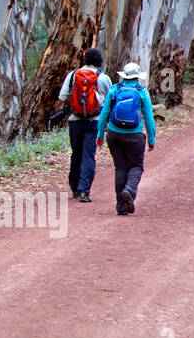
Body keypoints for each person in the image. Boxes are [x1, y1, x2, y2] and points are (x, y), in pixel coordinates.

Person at [95, 62, 156, 216]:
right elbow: (148, 117)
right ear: (137, 77)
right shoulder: (142, 92)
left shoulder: (115, 89)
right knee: (136, 167)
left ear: (124, 76)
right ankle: (129, 189)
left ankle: (121, 206)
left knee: (120, 167)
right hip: (135, 135)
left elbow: (104, 114)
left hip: (114, 135)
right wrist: (151, 139)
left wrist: (100, 135)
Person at [57, 48, 112, 202]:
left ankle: (74, 189)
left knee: (76, 154)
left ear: (85, 60)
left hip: (75, 120)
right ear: (99, 61)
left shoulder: (73, 75)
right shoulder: (103, 78)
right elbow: (110, 98)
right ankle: (84, 192)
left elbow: (62, 97)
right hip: (94, 121)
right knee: (89, 155)